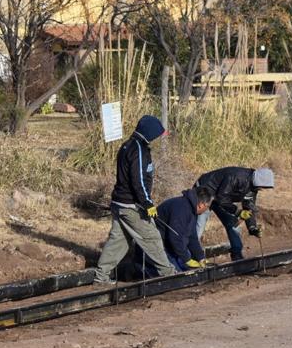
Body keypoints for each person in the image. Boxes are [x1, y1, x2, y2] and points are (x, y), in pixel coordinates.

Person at [93, 114, 176, 284]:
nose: (158, 138)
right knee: (152, 237)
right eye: (157, 134)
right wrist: (147, 203)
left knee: (119, 241)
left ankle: (101, 277)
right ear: (150, 132)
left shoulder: (128, 145)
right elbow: (137, 180)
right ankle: (168, 274)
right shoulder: (138, 149)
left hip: (119, 203)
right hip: (131, 205)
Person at [194, 166, 274, 260]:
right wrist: (238, 212)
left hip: (220, 199)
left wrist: (252, 227)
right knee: (198, 227)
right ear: (259, 181)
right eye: (263, 187)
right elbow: (222, 198)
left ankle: (237, 255)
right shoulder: (237, 176)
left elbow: (248, 207)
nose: (262, 190)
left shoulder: (253, 188)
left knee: (233, 224)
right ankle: (191, 257)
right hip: (204, 192)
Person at [132, 186, 214, 277]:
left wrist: (200, 257)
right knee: (176, 276)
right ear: (201, 204)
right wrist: (187, 259)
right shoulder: (182, 208)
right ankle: (139, 270)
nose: (208, 209)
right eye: (208, 206)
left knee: (191, 271)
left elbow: (192, 237)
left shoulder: (192, 210)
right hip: (157, 247)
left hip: (169, 246)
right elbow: (175, 237)